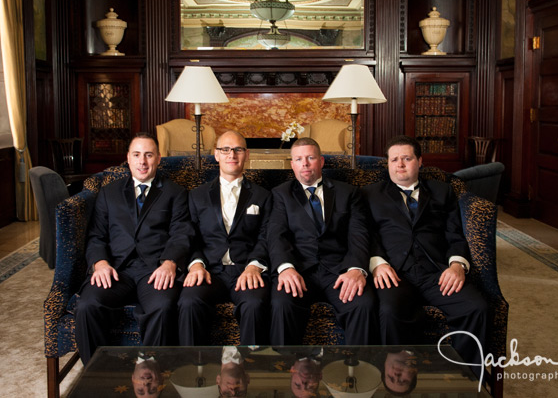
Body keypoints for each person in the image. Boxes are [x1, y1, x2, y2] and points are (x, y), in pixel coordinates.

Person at [362, 135, 487, 366]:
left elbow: (455, 234)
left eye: (406, 158)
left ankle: (464, 376)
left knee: (476, 307)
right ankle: (396, 375)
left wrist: (457, 265)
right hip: (394, 274)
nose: (400, 164)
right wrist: (377, 263)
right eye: (394, 160)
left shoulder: (443, 191)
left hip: (436, 273)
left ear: (420, 161)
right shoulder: (369, 194)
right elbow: (365, 235)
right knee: (389, 310)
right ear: (387, 164)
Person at [74, 132, 195, 364]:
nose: (143, 162)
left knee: (162, 306)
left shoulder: (175, 192)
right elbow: (96, 235)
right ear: (128, 158)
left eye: (149, 155)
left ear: (159, 158)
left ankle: (152, 374)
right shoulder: (109, 193)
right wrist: (100, 264)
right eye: (137, 155)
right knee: (87, 306)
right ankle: (97, 375)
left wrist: (170, 263)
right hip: (116, 270)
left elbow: (182, 234)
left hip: (154, 271)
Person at [267, 137, 376, 345]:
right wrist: (285, 268)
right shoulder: (281, 194)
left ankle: (359, 369)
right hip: (299, 270)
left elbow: (359, 234)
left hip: (338, 271)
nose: (305, 164)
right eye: (298, 159)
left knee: (363, 303)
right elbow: (276, 235)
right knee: (281, 303)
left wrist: (355, 269)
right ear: (292, 165)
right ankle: (284, 368)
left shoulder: (348, 193)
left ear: (322, 161)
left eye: (310, 157)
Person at [179, 130, 272, 345]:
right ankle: (195, 369)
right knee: (189, 301)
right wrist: (195, 265)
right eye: (226, 149)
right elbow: (188, 236)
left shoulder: (263, 195)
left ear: (246, 154)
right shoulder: (196, 195)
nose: (232, 154)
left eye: (238, 149)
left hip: (246, 270)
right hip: (209, 270)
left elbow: (266, 236)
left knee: (254, 304)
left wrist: (254, 266)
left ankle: (252, 368)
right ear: (216, 154)